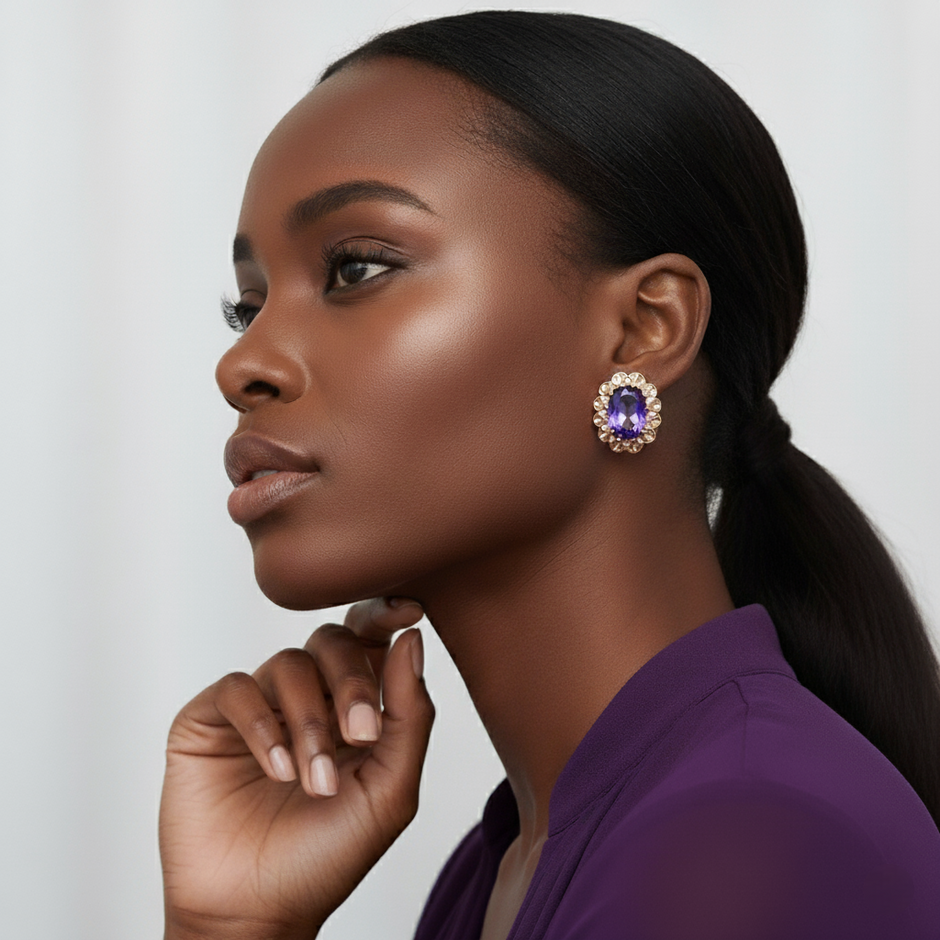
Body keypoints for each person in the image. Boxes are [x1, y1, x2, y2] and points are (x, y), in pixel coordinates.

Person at [159, 11, 940, 940]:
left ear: (643, 330)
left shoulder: (740, 846)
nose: (243, 364)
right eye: (246, 307)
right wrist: (230, 926)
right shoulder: (503, 866)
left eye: (356, 268)